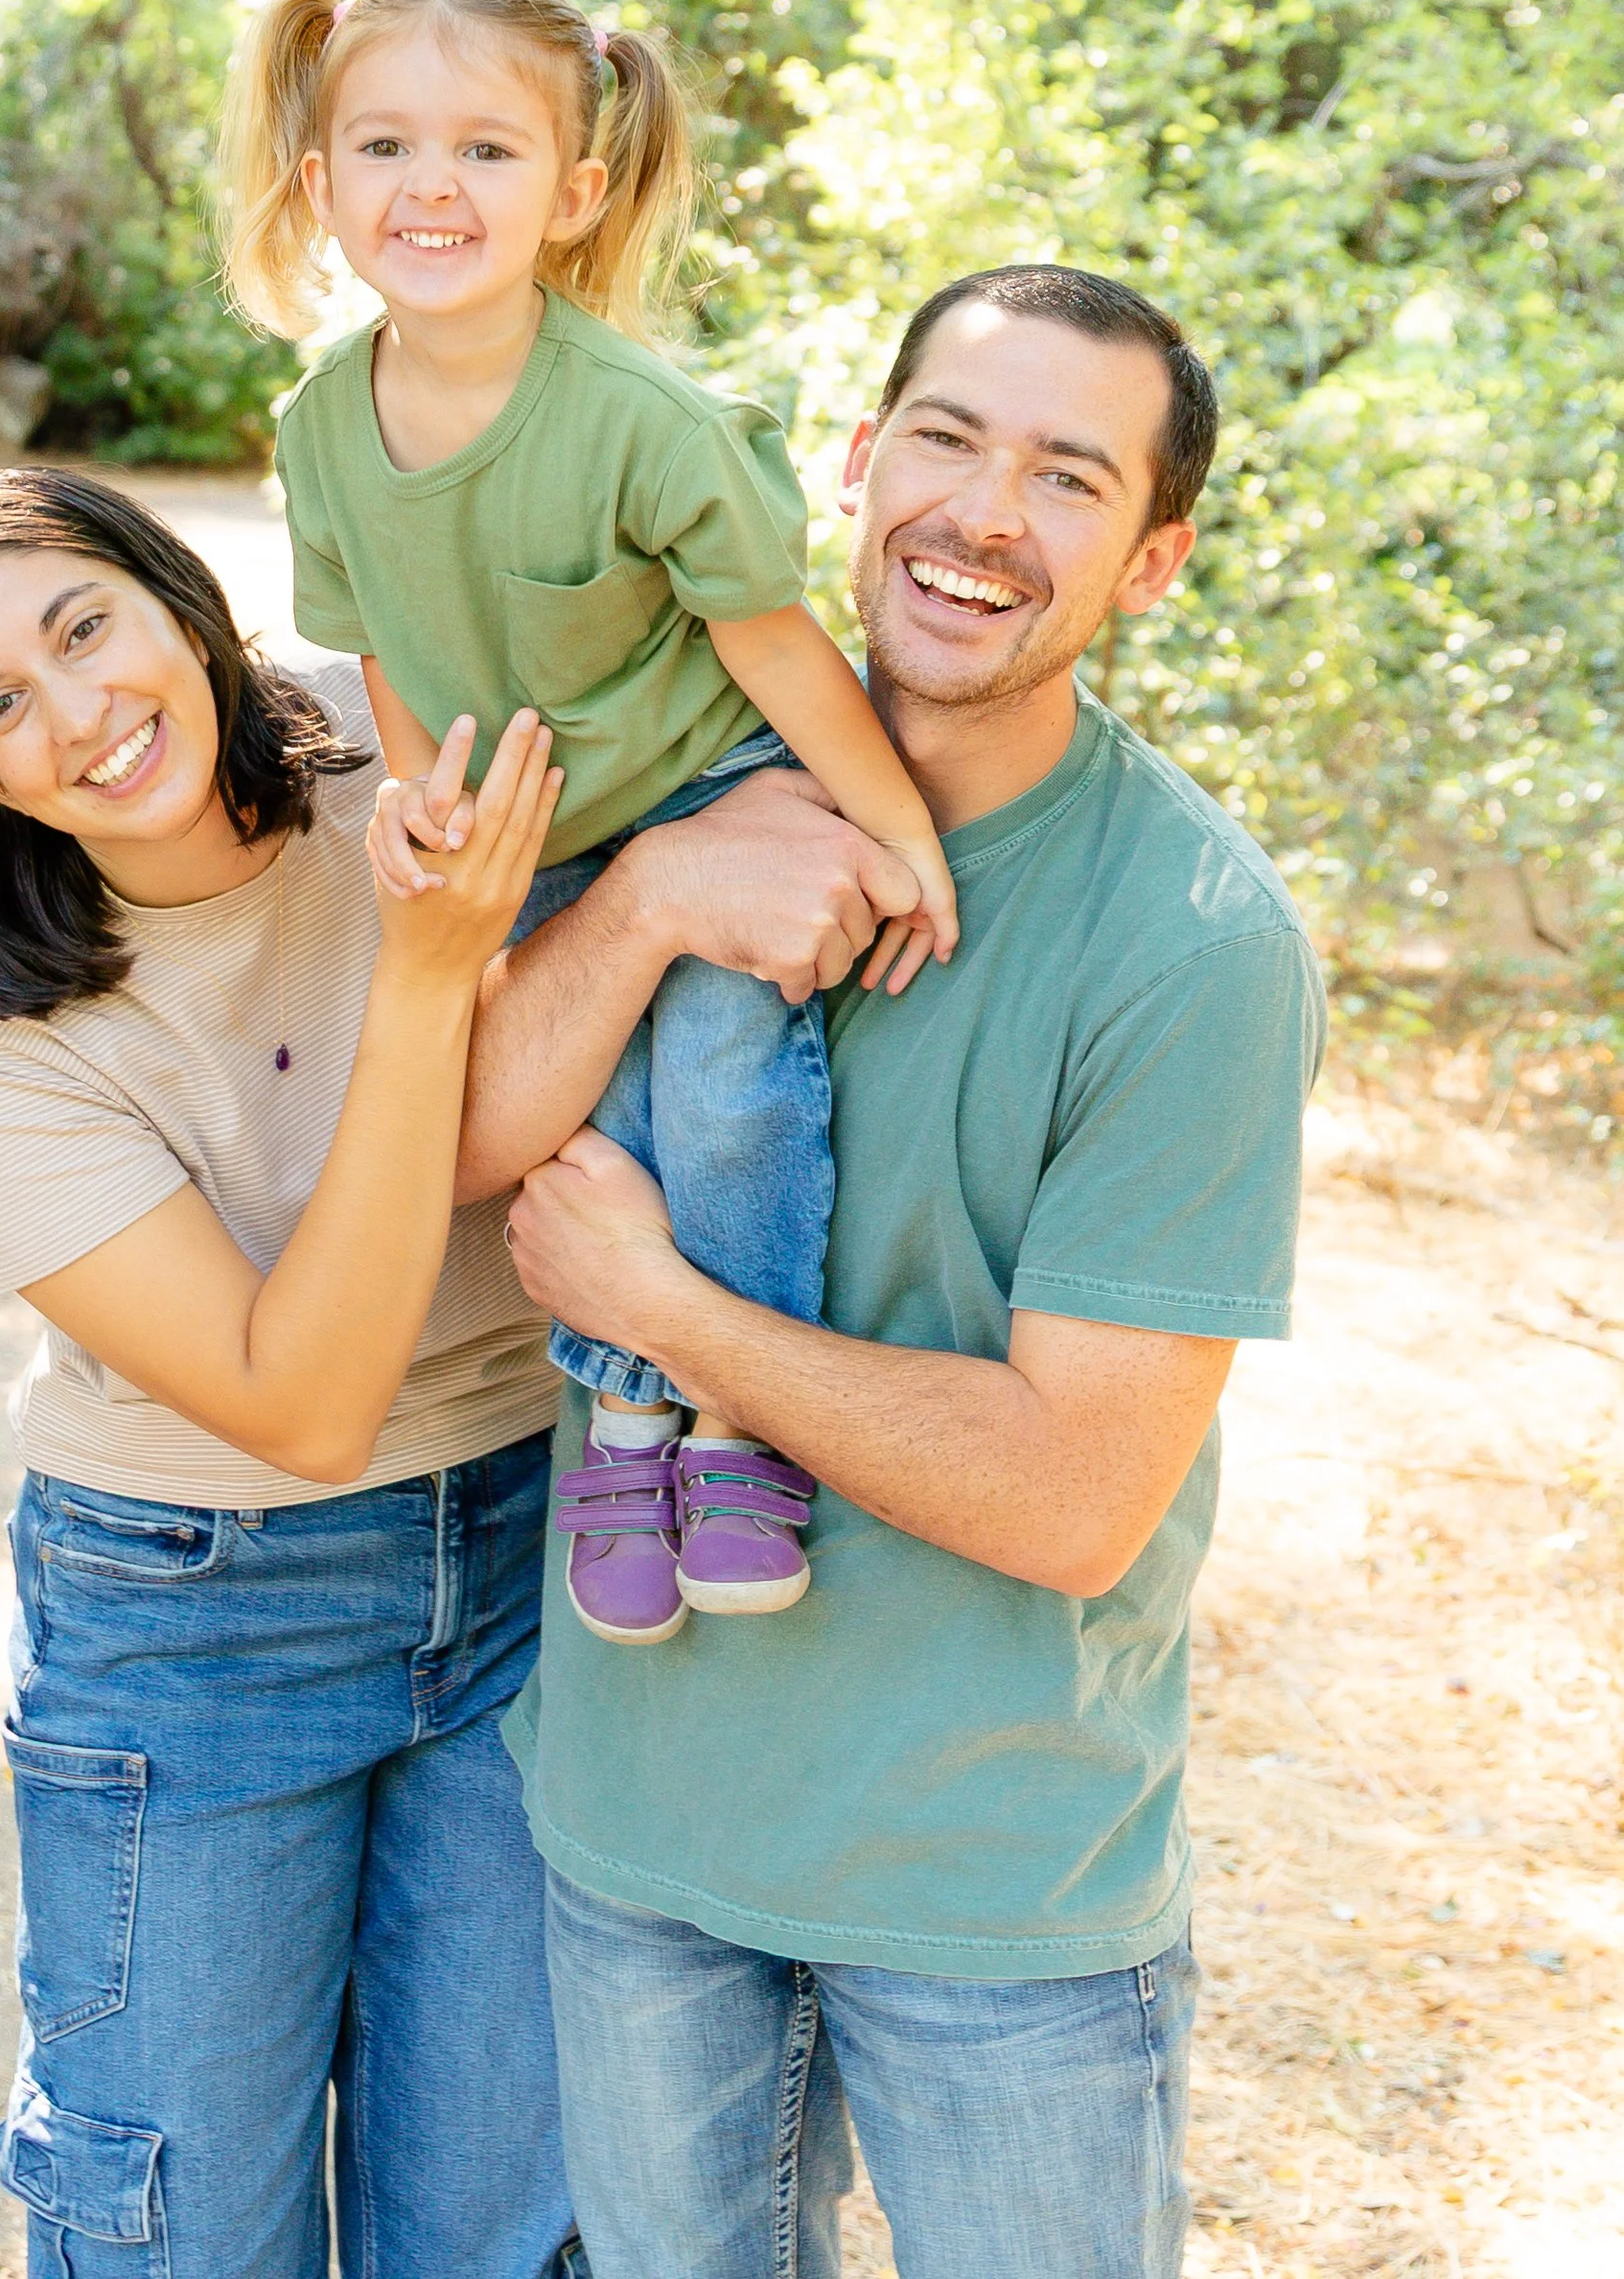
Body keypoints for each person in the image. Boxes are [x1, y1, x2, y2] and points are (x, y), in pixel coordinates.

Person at [471, 266, 1329, 2277]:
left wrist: (672, 1314)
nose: (980, 512)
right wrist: (660, 893)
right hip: (640, 1834)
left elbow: (1067, 1491)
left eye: (1063, 476)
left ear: (1150, 561)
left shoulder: (1190, 938)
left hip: (991, 1884)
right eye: (944, 438)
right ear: (856, 467)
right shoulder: (656, 789)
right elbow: (454, 1148)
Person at [0, 468, 577, 2279]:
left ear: (179, 599)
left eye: (84, 626)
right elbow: (302, 1401)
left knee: (505, 2226)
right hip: (198, 1614)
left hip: (533, 1544)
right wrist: (423, 978)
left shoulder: (389, 753)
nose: (80, 714)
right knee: (184, 2231)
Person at [219, 0, 956, 1646]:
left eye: (486, 151)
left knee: (717, 1081)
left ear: (575, 191)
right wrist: (429, 811)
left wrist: (896, 832)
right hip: (536, 819)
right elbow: (387, 655)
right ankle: (622, 1420)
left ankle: (742, 1420)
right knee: (569, 1115)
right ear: (320, 185)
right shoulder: (323, 430)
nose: (432, 187)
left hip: (712, 772)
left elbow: (776, 655)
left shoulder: (644, 423)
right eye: (387, 145)